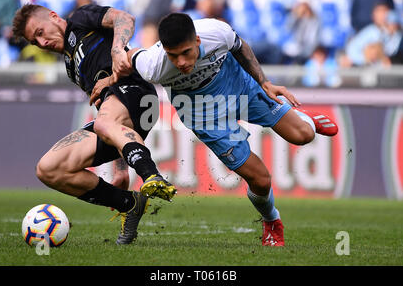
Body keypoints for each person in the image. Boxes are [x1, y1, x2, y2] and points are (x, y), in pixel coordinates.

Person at [91, 13, 339, 247]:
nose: (182, 62)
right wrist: (110, 79)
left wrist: (264, 82)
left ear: (197, 40)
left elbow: (240, 47)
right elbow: (126, 58)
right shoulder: (152, 64)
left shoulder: (216, 32)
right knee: (261, 179)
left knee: (303, 135)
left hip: (238, 85)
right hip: (202, 112)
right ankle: (272, 220)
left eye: (187, 52)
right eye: (173, 56)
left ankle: (301, 117)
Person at [12, 4, 176, 244]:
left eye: (40, 32)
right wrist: (120, 170)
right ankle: (129, 203)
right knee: (48, 168)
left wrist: (118, 49)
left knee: (102, 123)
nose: (43, 43)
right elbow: (108, 117)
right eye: (35, 42)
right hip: (115, 116)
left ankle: (151, 174)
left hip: (138, 93)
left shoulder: (80, 20)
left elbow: (125, 18)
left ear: (53, 17)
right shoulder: (70, 67)